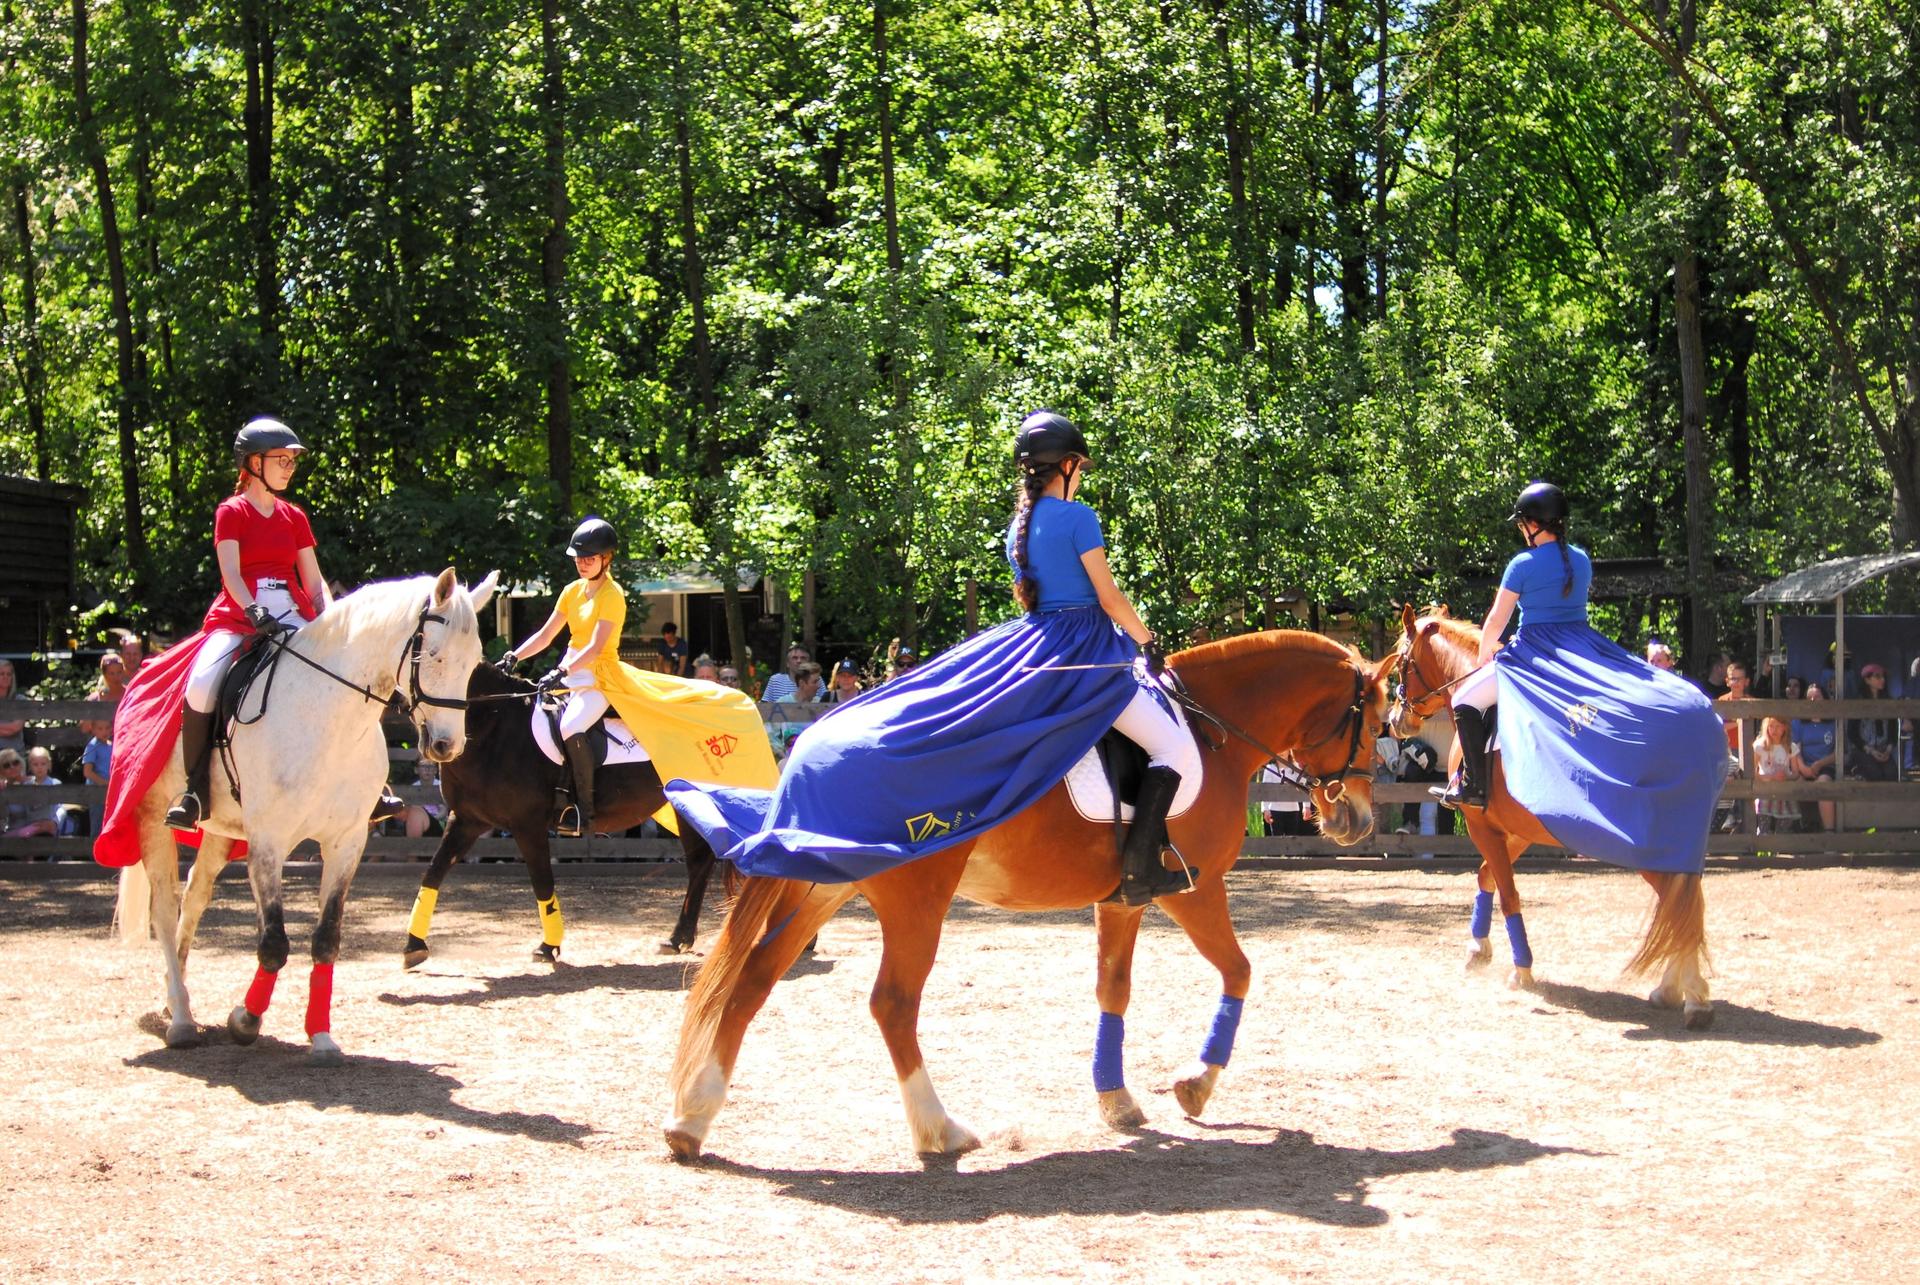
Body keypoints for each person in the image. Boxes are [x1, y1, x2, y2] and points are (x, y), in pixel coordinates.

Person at [661, 409, 1205, 905]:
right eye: (1078, 466)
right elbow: (1107, 596)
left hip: (1032, 644)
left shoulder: (1017, 526)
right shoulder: (1077, 516)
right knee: (1170, 746)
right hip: (1087, 648)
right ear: (1064, 465)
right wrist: (1147, 640)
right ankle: (1140, 872)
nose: (1080, 475)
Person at [1429, 482, 1726, 873]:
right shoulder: (1581, 560)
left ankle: (1473, 786)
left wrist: (1487, 659)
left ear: (1531, 525)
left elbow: (1494, 625)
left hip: (1536, 651)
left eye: (1522, 524)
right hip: (1582, 648)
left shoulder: (1522, 564)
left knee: (1465, 699)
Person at [497, 517, 778, 838]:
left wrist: (561, 670)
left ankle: (584, 812)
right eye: (579, 558)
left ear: (606, 559)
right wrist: (514, 656)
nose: (582, 564)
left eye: (589, 559)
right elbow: (546, 635)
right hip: (570, 673)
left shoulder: (612, 595)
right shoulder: (571, 592)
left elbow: (596, 646)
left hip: (599, 677)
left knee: (570, 725)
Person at [1791, 682, 1838, 831]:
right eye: (1809, 697)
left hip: (1826, 766)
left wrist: (1820, 764)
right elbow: (1795, 748)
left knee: (1823, 786)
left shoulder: (1834, 722)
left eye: (1817, 697)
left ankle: (1829, 832)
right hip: (1803, 765)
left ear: (1824, 699)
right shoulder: (1798, 722)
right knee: (1793, 786)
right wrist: (1803, 767)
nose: (1812, 701)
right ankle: (1795, 827)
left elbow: (1839, 752)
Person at [1850, 663, 1898, 781]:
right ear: (1867, 680)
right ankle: (1857, 770)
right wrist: (1871, 751)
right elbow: (1852, 733)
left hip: (1883, 749)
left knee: (1892, 774)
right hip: (1864, 749)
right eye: (1877, 677)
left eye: (1883, 677)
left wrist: (1888, 750)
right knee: (1875, 774)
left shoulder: (1888, 702)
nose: (1882, 680)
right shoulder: (1858, 703)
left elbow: (1893, 730)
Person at [1751, 717, 1799, 834]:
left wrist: (1786, 777)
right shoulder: (1759, 746)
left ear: (1784, 728)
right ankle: (1763, 849)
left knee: (1784, 825)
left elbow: (1796, 773)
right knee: (1764, 826)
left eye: (1778, 726)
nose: (1774, 730)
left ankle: (1779, 847)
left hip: (1783, 790)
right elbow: (1752, 772)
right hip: (1765, 790)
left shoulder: (1790, 747)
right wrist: (1771, 778)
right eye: (1771, 726)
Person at [0, 659, 24, 755]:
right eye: (1, 674)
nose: (5, 677)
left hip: (15, 754)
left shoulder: (20, 700)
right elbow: (10, 728)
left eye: (8, 674)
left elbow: (15, 728)